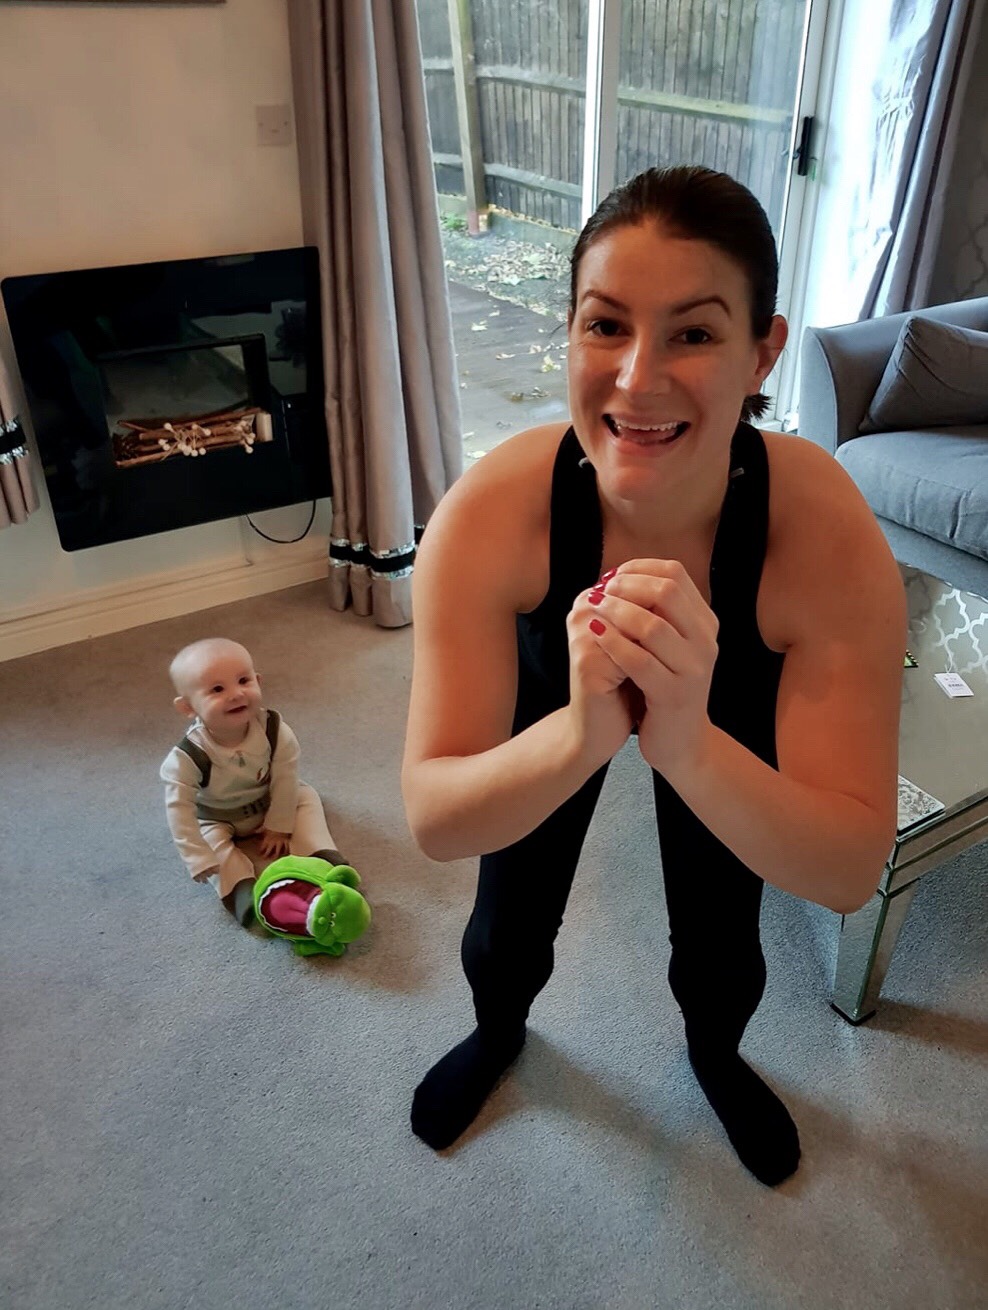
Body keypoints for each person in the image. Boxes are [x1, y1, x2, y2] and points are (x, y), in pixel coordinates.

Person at [401, 165, 906, 1185]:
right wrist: (582, 732)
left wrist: (683, 740)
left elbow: (849, 863)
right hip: (561, 691)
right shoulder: (496, 513)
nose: (636, 378)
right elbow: (437, 817)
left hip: (731, 689)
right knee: (510, 909)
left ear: (763, 348)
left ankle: (714, 1052)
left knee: (722, 924)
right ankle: (499, 1028)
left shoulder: (819, 531)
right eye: (604, 325)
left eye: (693, 331)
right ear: (573, 333)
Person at [161, 637, 349, 925]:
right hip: (217, 816)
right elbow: (179, 810)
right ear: (188, 706)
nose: (236, 694)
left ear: (258, 681)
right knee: (212, 844)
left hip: (267, 800)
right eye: (217, 689)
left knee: (305, 796)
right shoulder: (187, 756)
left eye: (244, 680)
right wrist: (196, 856)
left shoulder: (275, 730)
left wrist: (279, 826)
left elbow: (285, 777)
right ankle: (240, 890)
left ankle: (321, 858)